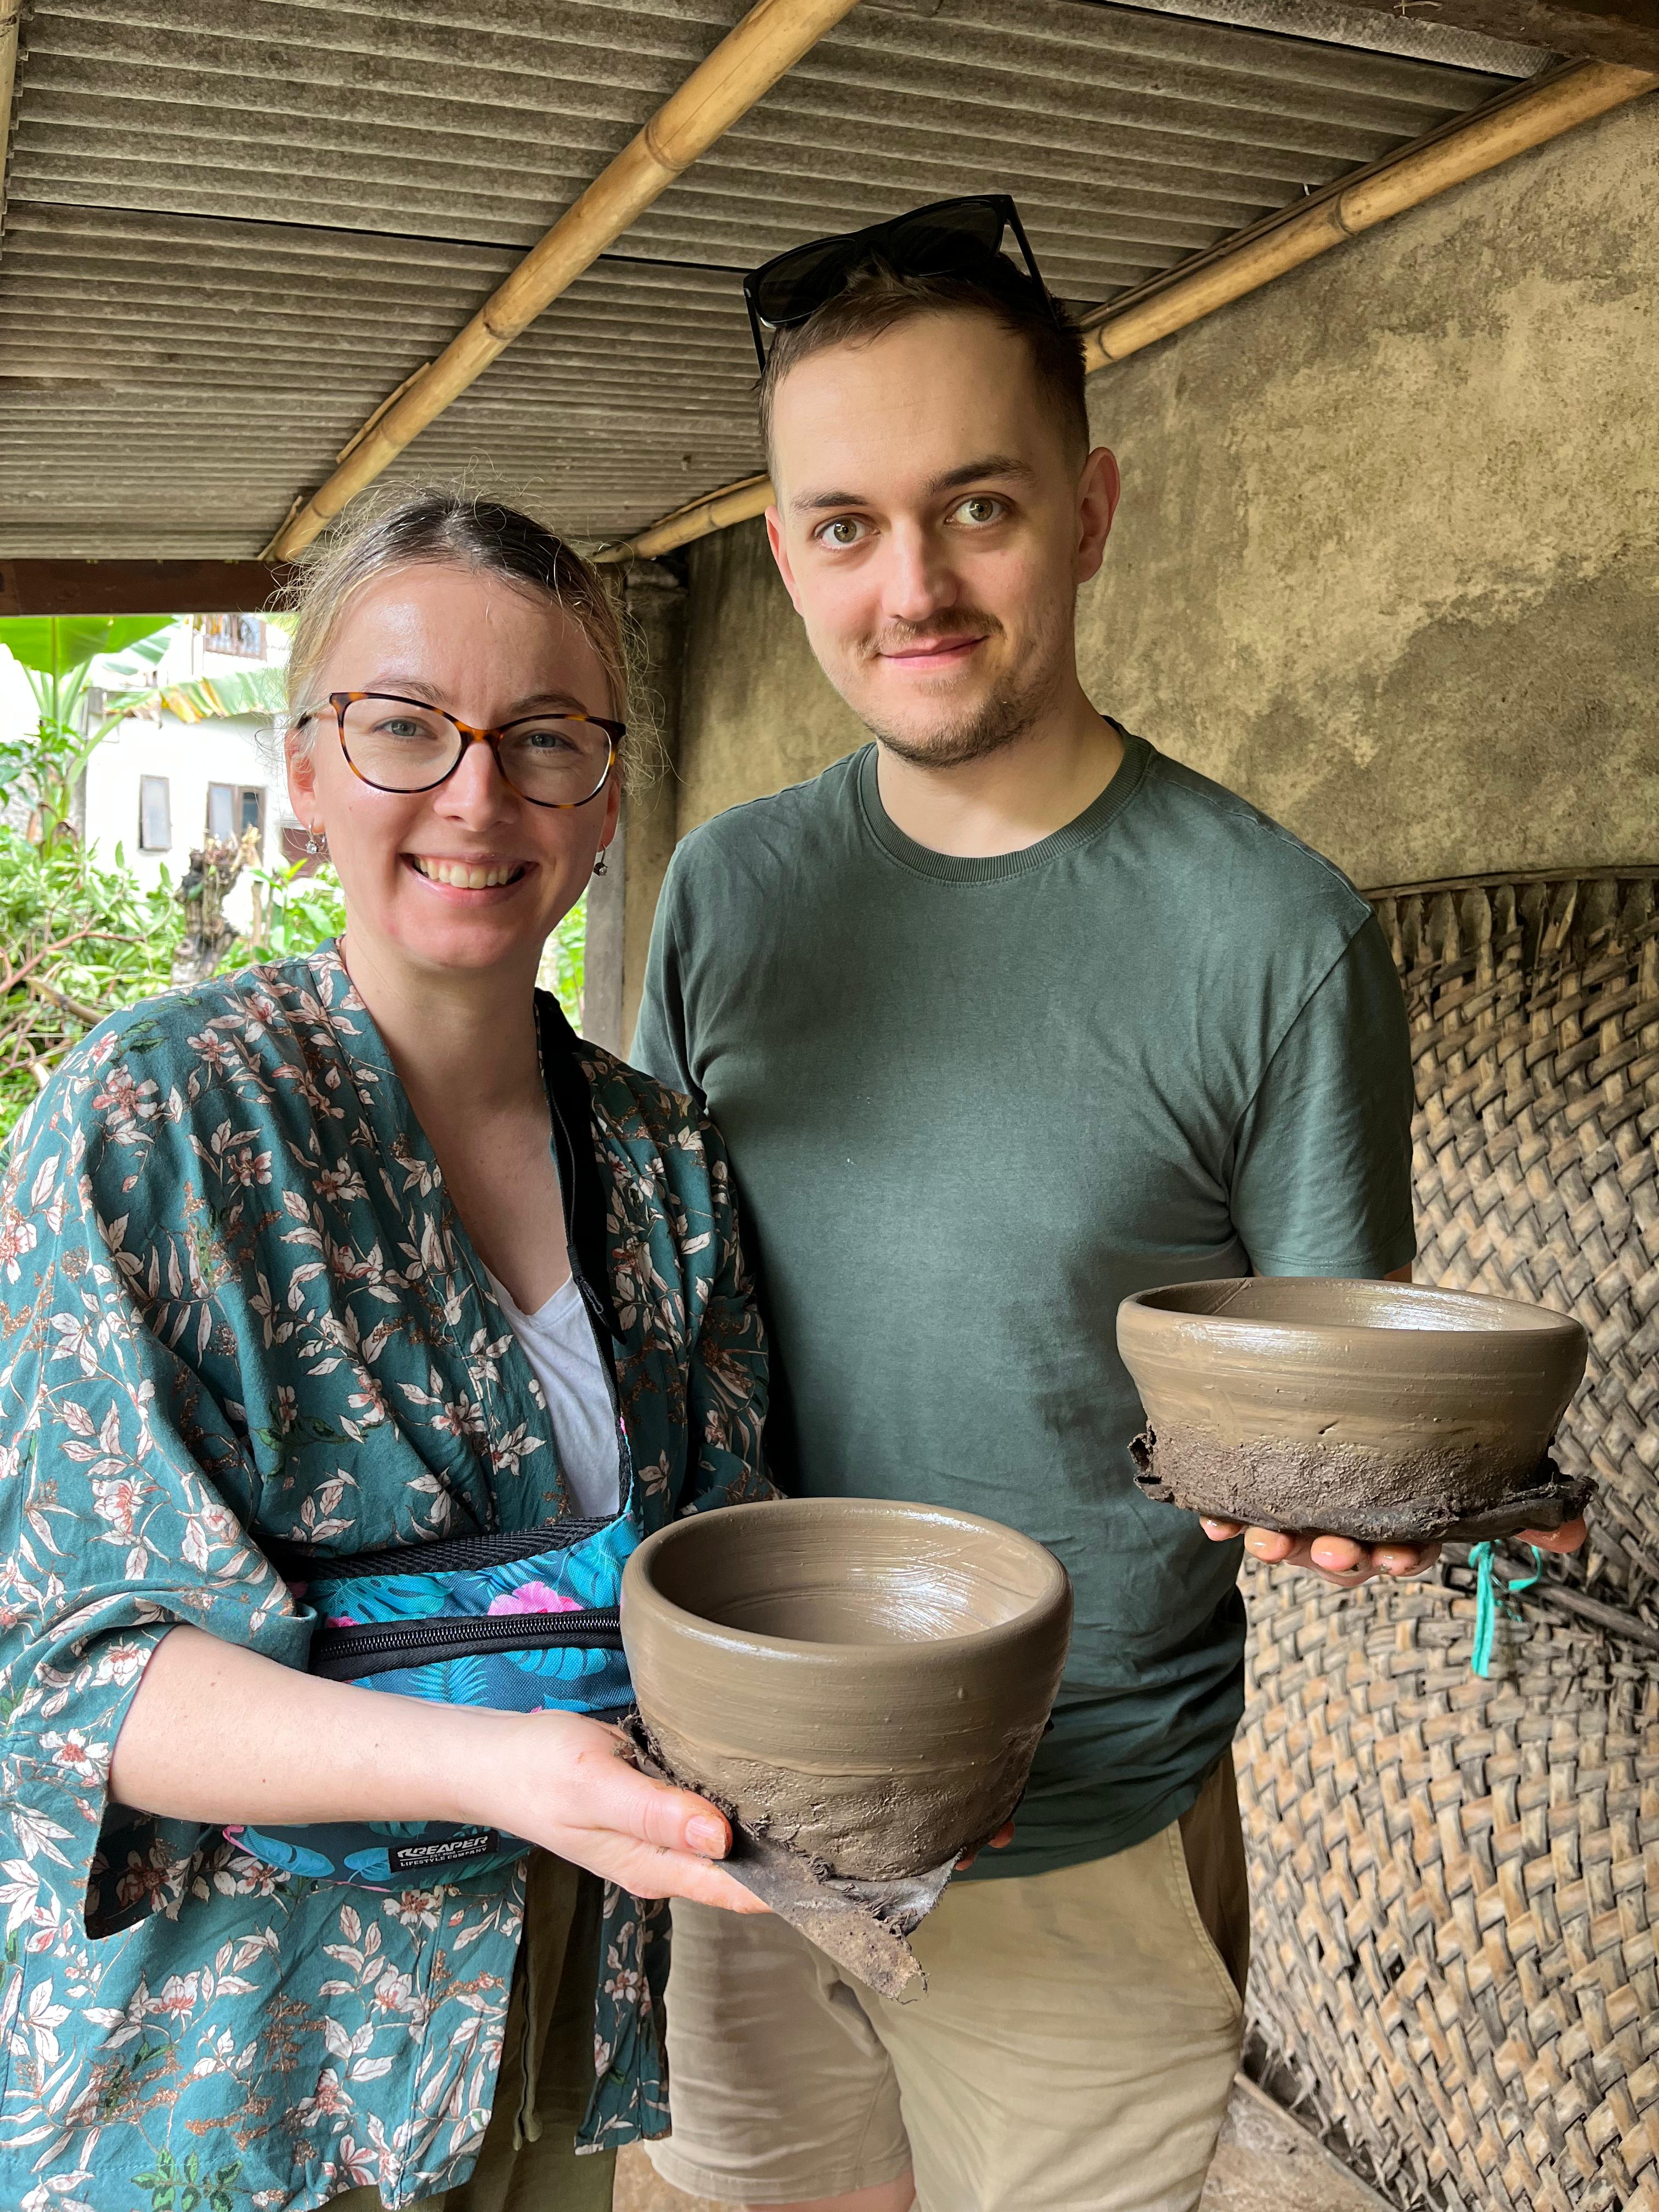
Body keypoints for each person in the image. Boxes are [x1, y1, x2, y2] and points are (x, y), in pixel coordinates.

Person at [634, 200, 1586, 2212]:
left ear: (1089, 509)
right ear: (789, 546)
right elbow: (660, 1321)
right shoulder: (724, 898)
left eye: (976, 504)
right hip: (736, 1817)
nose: (911, 586)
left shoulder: (1274, 935)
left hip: (1087, 1833)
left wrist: (1385, 1505)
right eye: (842, 526)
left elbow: (1332, 1390)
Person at [0, 492, 772, 2212]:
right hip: (224, 2057)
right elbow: (66, 1671)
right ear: (305, 776)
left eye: (544, 740)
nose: (477, 795)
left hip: (547, 2002)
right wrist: (495, 1760)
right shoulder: (156, 1121)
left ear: (606, 800)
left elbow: (717, 1561)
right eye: (405, 728)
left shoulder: (661, 1164)